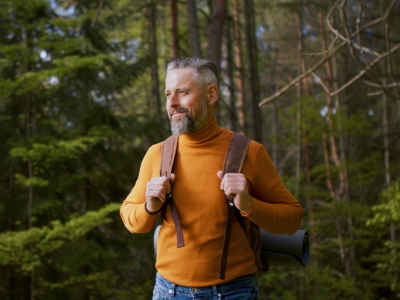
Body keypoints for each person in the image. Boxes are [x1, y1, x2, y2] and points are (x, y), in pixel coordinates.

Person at [120, 58, 303, 299]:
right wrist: (149, 207)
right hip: (168, 291)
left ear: (211, 94)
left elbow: (292, 219)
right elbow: (131, 218)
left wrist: (249, 206)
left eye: (182, 92)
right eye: (167, 94)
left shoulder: (250, 152)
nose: (172, 103)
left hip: (234, 292)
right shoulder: (158, 154)